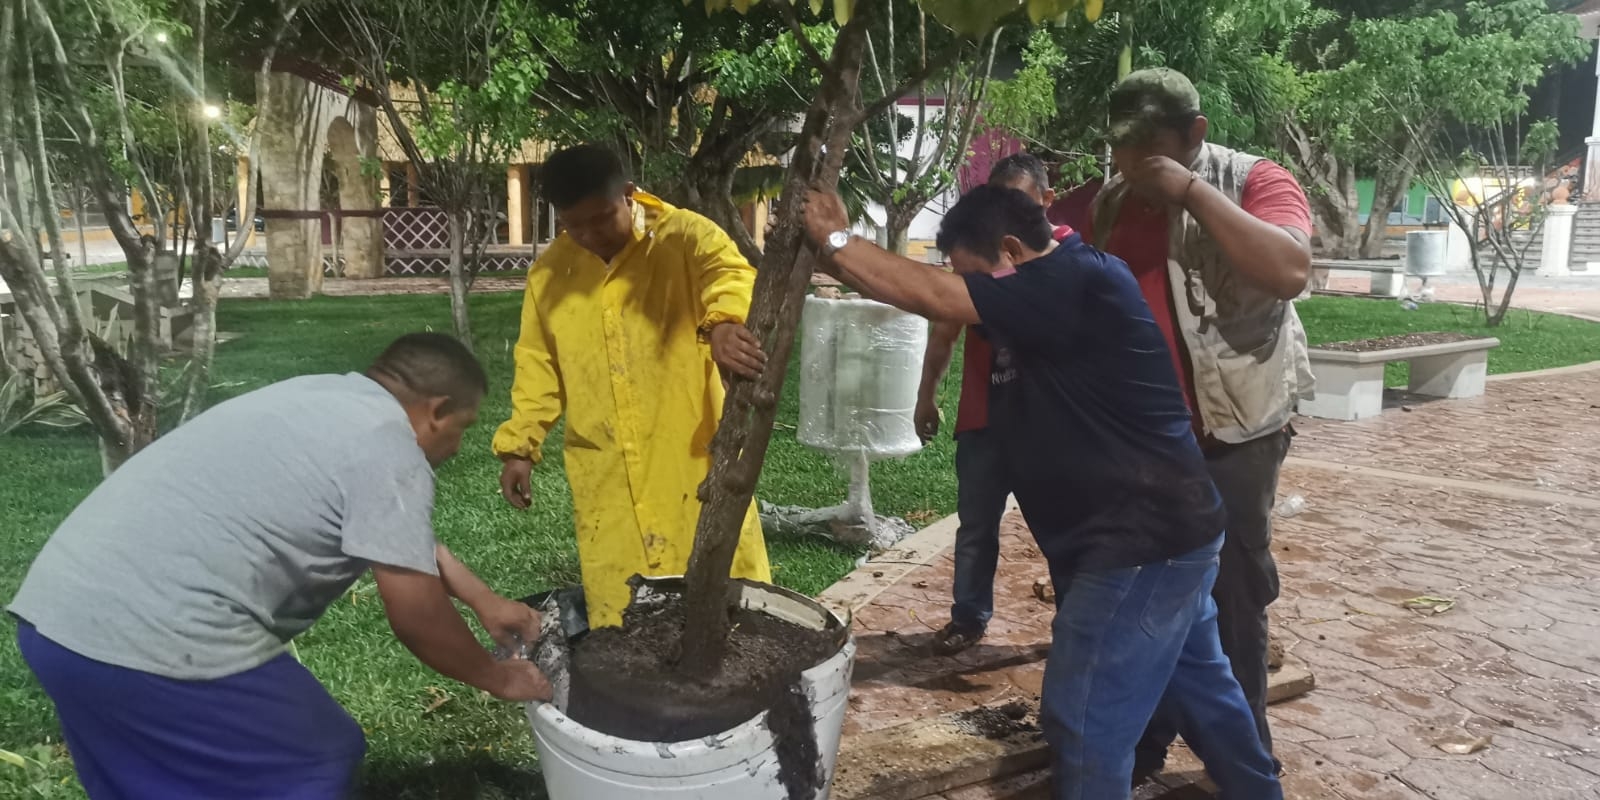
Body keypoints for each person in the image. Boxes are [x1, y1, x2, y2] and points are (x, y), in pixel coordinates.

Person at [802, 184, 1282, 799]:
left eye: (977, 278)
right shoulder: (1042, 292)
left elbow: (935, 293)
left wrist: (838, 240)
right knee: (1204, 691)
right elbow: (929, 297)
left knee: (1083, 723)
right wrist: (829, 258)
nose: (974, 298)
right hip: (1166, 536)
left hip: (1137, 545)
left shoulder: (1075, 279)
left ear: (1010, 251)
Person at [9, 333, 551, 799]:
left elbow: (394, 538)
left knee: (152, 780)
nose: (457, 447)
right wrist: (496, 677)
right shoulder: (388, 449)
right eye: (462, 427)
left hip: (57, 622)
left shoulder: (322, 398)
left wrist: (484, 600)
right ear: (435, 410)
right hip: (153, 640)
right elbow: (416, 616)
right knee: (312, 758)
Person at [1084, 68, 1314, 778]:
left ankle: (1244, 762)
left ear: (1196, 135)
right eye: (1123, 152)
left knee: (1234, 597)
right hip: (1141, 443)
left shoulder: (1255, 181)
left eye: (1152, 151)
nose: (1134, 168)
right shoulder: (1113, 201)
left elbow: (1289, 269)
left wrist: (1188, 190)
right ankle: (1146, 745)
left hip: (1234, 432)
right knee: (1142, 595)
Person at [493, 144, 772, 629]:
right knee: (624, 612)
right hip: (604, 467)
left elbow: (729, 273)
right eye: (572, 225)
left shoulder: (685, 237)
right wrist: (520, 445)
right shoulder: (550, 274)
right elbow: (538, 364)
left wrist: (724, 323)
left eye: (600, 219)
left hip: (688, 455)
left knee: (724, 593)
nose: (587, 235)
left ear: (628, 195)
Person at [916, 152, 1071, 655]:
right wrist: (926, 397)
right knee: (976, 526)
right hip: (984, 417)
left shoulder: (1069, 259)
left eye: (1022, 206)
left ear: (1047, 201)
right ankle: (968, 617)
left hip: (1047, 425)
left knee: (1061, 526)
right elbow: (943, 329)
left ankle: (1077, 619)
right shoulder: (977, 261)